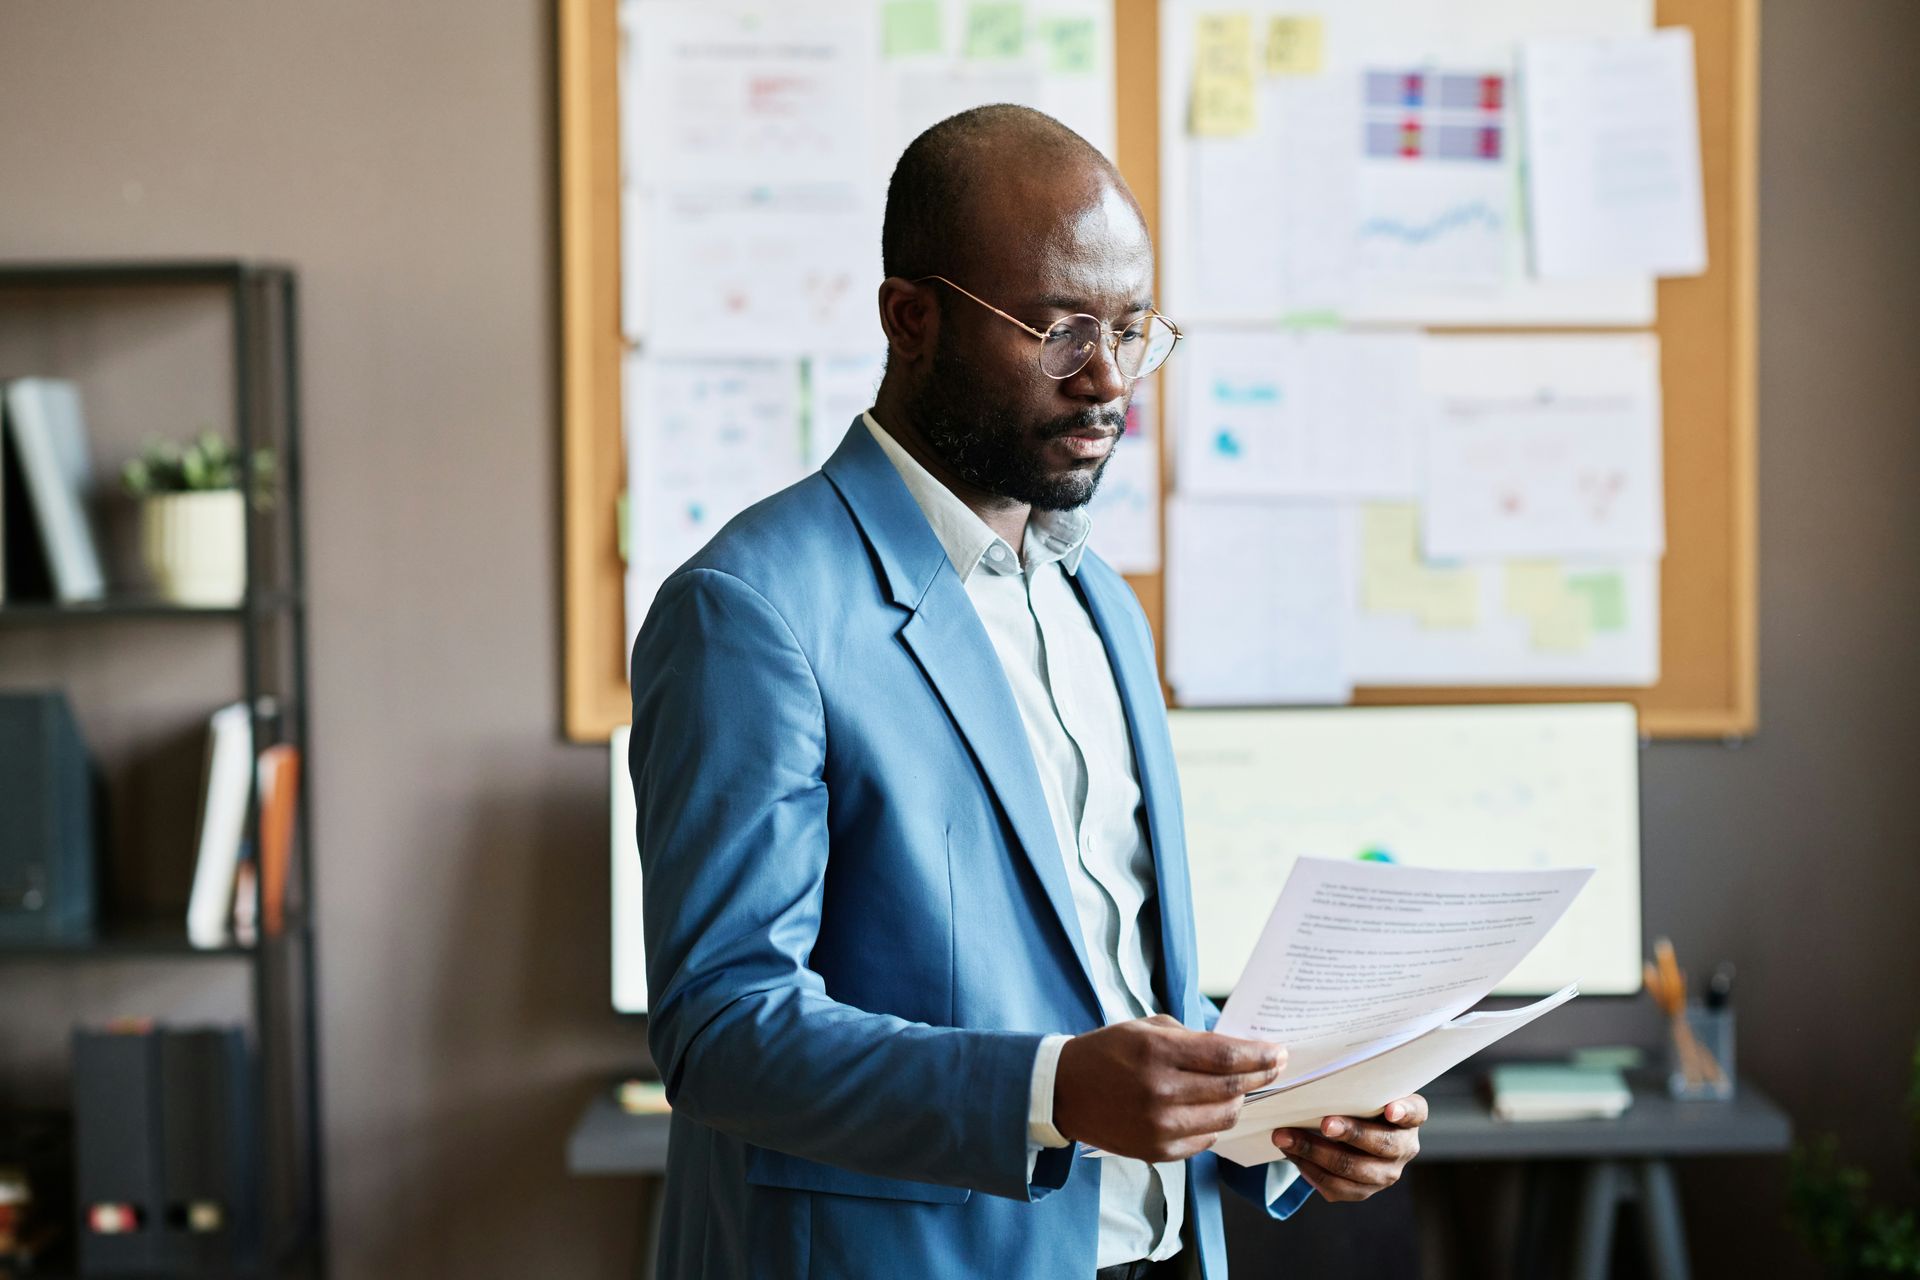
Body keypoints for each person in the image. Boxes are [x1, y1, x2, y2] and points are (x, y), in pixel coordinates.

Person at [629, 104, 1426, 1280]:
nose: (1108, 380)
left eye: (1128, 329)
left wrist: (1286, 1109)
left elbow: (1116, 976)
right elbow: (722, 1028)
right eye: (1058, 332)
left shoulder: (1098, 595)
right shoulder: (752, 611)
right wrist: (1052, 1088)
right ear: (912, 319)